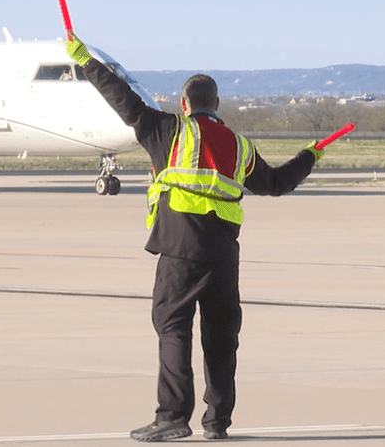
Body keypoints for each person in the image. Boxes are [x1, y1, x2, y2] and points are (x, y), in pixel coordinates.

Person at [66, 35, 323, 442]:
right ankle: (217, 423)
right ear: (216, 105)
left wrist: (84, 61)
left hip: (179, 251)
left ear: (184, 104)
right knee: (221, 338)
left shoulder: (166, 129)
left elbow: (122, 98)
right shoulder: (240, 146)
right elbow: (275, 183)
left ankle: (172, 417)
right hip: (224, 256)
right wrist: (310, 155)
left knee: (173, 329)